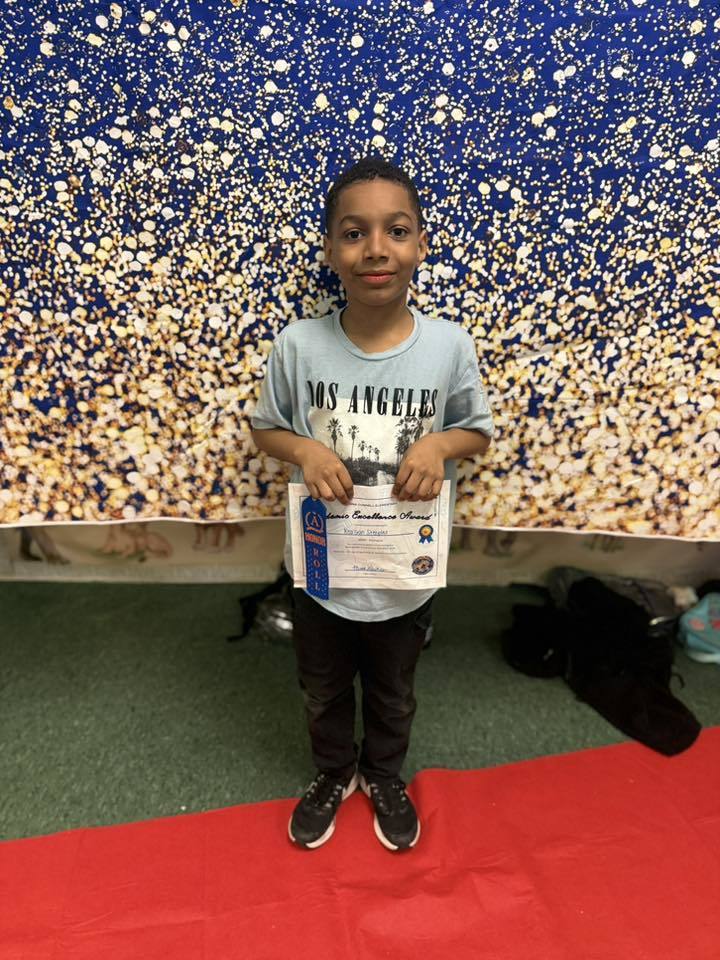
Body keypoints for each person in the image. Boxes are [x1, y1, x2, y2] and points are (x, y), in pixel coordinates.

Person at [250, 156, 494, 851]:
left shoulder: (448, 346)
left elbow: (477, 431)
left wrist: (439, 445)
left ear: (421, 244)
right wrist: (305, 451)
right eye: (354, 233)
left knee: (393, 690)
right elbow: (265, 428)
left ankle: (383, 773)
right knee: (322, 688)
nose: (376, 249)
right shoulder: (298, 346)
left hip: (403, 572)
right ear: (330, 250)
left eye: (397, 230)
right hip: (321, 569)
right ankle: (334, 771)